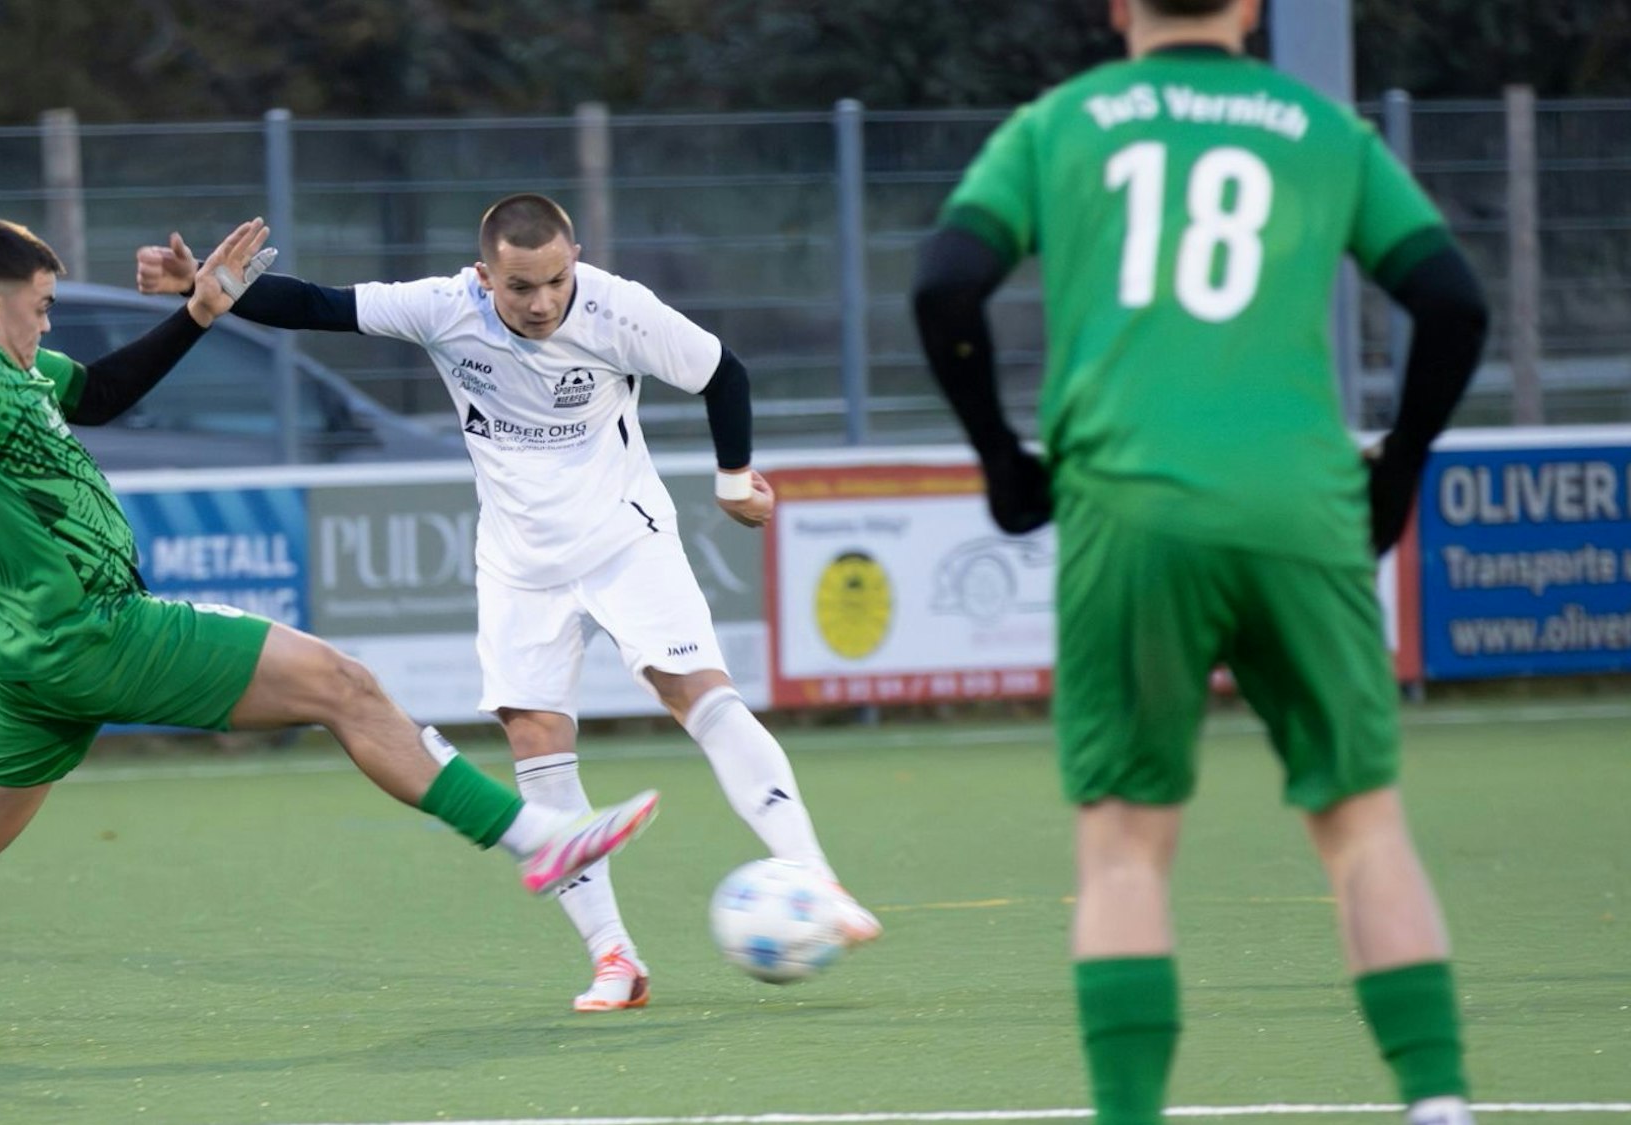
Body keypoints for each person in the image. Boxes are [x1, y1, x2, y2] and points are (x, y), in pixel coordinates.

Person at [0, 216, 661, 1056]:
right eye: (41, 301)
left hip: (36, 655)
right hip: (94, 628)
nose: (47, 318)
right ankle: (537, 840)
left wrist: (198, 312)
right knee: (344, 686)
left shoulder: (13, 368)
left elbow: (103, 394)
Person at [912, 2, 1489, 1123]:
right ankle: (1435, 1104)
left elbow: (943, 286)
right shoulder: (1321, 130)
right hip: (1298, 508)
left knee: (1125, 846)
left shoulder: (1056, 125)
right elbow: (1450, 303)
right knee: (1361, 825)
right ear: (1253, 6)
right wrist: (1400, 467)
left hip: (1127, 507)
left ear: (1117, 5)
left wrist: (999, 455)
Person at [135, 193, 882, 1012]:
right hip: (520, 564)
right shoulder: (444, 308)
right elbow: (320, 306)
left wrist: (735, 481)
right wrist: (201, 290)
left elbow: (721, 373)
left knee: (696, 690)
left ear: (575, 260)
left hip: (626, 540)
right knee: (534, 737)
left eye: (555, 280)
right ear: (486, 274)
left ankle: (816, 879)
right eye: (520, 286)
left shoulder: (616, 307)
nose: (540, 302)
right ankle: (615, 960)